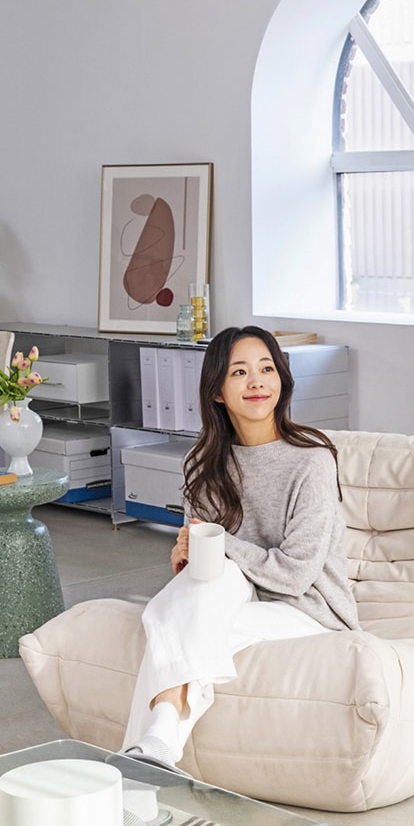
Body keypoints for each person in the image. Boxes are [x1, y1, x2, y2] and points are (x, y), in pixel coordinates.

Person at [120, 325, 359, 773]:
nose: (257, 382)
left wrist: (217, 543)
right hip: (236, 594)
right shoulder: (204, 464)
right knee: (196, 602)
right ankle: (157, 748)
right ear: (216, 392)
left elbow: (295, 576)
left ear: (282, 381)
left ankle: (153, 747)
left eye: (267, 369)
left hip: (310, 609)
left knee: (171, 628)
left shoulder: (312, 460)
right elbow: (204, 572)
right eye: (240, 372)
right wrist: (189, 554)